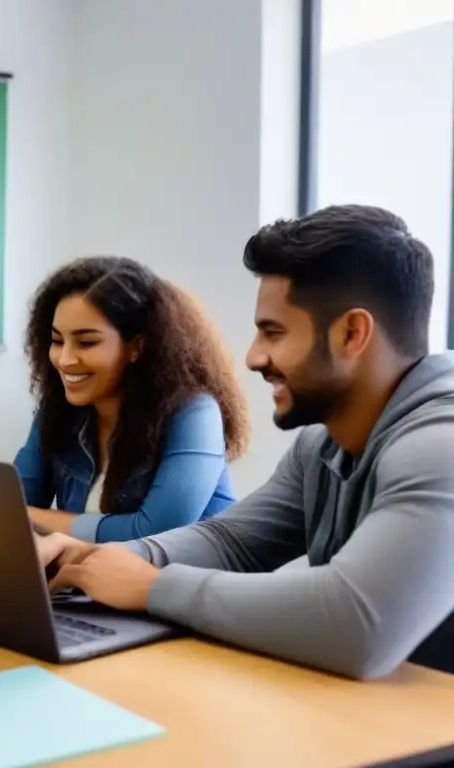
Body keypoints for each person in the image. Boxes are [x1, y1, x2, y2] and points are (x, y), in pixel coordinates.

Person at [41, 204, 454, 680]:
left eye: (272, 333)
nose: (254, 357)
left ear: (352, 334)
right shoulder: (320, 445)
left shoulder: (440, 445)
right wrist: (96, 560)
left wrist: (154, 586)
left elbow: (358, 623)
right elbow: (232, 542)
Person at [15, 256, 249, 543]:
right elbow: (9, 505)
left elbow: (155, 534)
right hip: (92, 582)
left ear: (136, 346)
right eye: (57, 340)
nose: (64, 360)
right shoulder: (58, 410)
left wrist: (30, 517)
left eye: (86, 342)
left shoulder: (194, 413)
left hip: (184, 581)